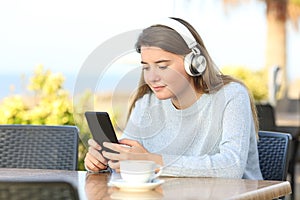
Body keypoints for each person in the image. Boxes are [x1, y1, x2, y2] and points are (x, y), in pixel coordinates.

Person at [84, 17, 263, 179]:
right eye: (146, 67)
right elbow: (130, 163)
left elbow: (231, 167)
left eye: (162, 66)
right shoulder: (146, 103)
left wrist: (152, 161)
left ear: (194, 63)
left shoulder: (231, 95)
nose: (152, 77)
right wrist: (106, 162)